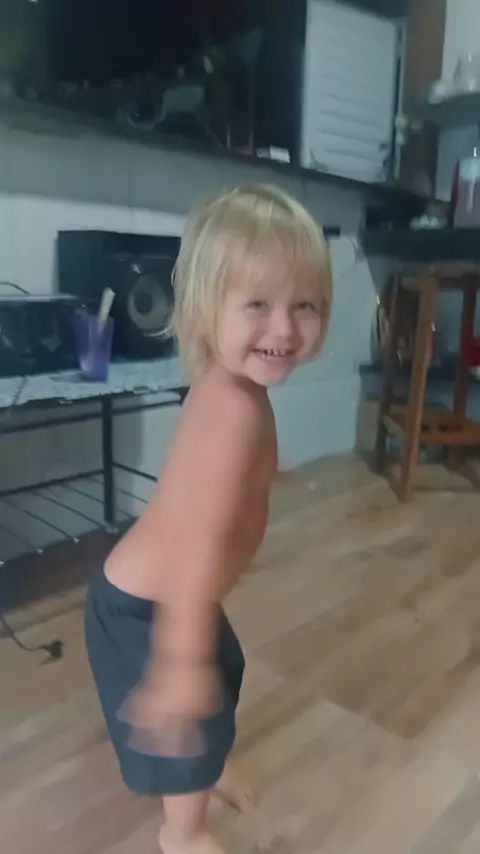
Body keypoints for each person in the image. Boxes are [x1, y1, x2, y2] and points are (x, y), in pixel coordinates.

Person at [84, 184, 333, 854]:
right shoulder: (231, 410)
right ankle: (183, 832)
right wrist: (181, 660)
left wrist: (263, 478)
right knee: (191, 714)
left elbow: (212, 488)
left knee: (224, 674)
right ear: (205, 309)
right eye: (258, 305)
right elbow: (196, 546)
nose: (284, 329)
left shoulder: (237, 390)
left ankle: (209, 764)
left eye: (303, 305)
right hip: (152, 606)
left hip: (174, 593)